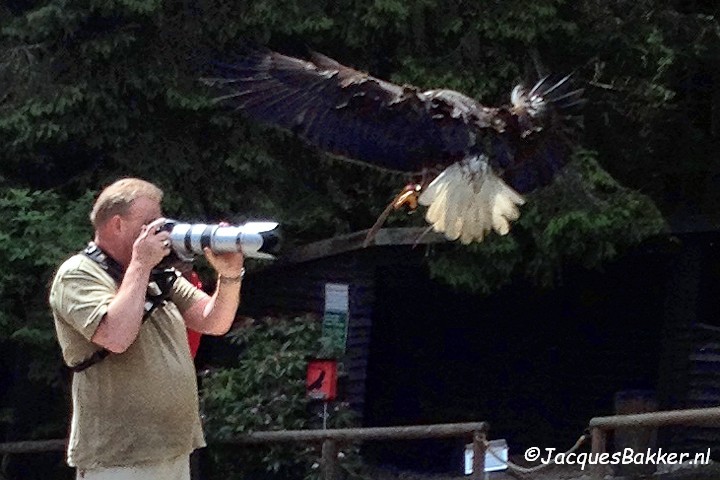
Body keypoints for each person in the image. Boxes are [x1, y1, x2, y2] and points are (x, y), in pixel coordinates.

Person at [49, 178, 244, 480]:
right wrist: (140, 263)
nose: (162, 231)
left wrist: (230, 276)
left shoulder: (157, 273)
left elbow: (214, 321)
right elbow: (116, 336)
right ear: (117, 225)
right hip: (119, 458)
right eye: (150, 223)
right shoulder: (78, 274)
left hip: (174, 449)